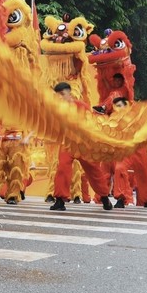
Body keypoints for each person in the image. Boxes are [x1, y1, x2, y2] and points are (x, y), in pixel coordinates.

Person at [49, 82, 113, 211]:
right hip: (68, 144)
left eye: (62, 94)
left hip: (84, 145)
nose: (60, 98)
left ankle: (105, 197)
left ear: (69, 94)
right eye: (57, 96)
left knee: (94, 172)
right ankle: (60, 200)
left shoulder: (82, 107)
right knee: (62, 167)